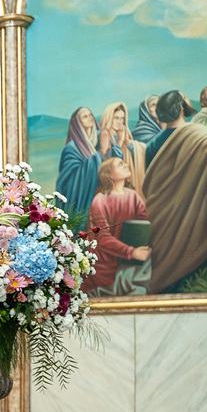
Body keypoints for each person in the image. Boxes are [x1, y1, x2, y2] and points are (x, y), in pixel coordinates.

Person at [144, 90, 207, 293]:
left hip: (162, 221)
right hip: (196, 219)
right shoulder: (196, 134)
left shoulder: (151, 145)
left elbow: (153, 184)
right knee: (199, 275)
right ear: (180, 107)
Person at [84, 157, 151, 296]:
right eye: (120, 164)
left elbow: (143, 225)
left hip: (132, 259)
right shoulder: (100, 200)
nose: (126, 165)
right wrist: (132, 252)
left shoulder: (133, 196)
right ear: (109, 175)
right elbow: (102, 237)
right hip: (107, 265)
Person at [56, 106, 111, 228]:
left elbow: (113, 158)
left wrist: (109, 149)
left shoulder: (99, 138)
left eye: (90, 115)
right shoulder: (72, 148)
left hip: (99, 193)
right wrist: (101, 152)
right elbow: (70, 177)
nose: (90, 118)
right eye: (85, 116)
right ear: (77, 123)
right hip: (81, 197)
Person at [98, 102, 146, 197]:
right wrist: (120, 142)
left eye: (122, 118)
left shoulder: (125, 135)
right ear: (109, 118)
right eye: (116, 118)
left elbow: (137, 156)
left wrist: (128, 143)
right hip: (108, 186)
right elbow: (108, 163)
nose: (119, 122)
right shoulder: (102, 136)